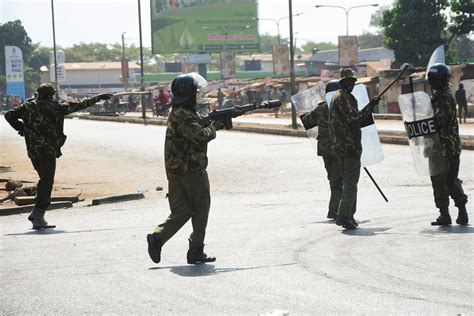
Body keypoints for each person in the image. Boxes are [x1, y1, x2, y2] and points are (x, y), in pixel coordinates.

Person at [4, 83, 111, 229]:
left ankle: (37, 212)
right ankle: (38, 213)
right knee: (47, 181)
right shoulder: (54, 107)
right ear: (49, 95)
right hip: (47, 150)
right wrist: (98, 98)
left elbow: (9, 115)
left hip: (33, 150)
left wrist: (22, 128)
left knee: (44, 179)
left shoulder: (28, 107)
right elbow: (79, 105)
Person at [147, 73, 219, 265]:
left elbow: (194, 126)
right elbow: (198, 135)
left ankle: (158, 237)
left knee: (182, 210)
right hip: (191, 169)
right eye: (195, 92)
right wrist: (213, 128)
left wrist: (210, 120)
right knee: (201, 207)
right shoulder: (184, 114)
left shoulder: (179, 111)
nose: (198, 95)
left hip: (176, 171)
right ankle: (196, 249)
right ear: (189, 94)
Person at [329, 69, 380, 230]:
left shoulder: (338, 97)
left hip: (342, 147)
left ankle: (349, 215)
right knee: (351, 182)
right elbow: (354, 119)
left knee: (348, 181)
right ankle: (344, 215)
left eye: (353, 81)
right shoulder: (344, 98)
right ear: (342, 83)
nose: (351, 84)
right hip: (349, 147)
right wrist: (370, 106)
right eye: (348, 82)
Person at [427, 63, 468, 226]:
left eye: (436, 79)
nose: (433, 82)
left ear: (443, 80)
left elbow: (438, 121)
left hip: (442, 147)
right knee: (451, 180)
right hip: (450, 146)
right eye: (432, 79)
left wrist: (421, 123)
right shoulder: (442, 96)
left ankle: (445, 214)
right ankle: (462, 213)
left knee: (440, 180)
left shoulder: (442, 98)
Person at [300, 80, 343, 220]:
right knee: (339, 182)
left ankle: (336, 207)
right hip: (337, 149)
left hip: (324, 150)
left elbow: (306, 121)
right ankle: (334, 210)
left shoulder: (320, 108)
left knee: (333, 180)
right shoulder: (341, 107)